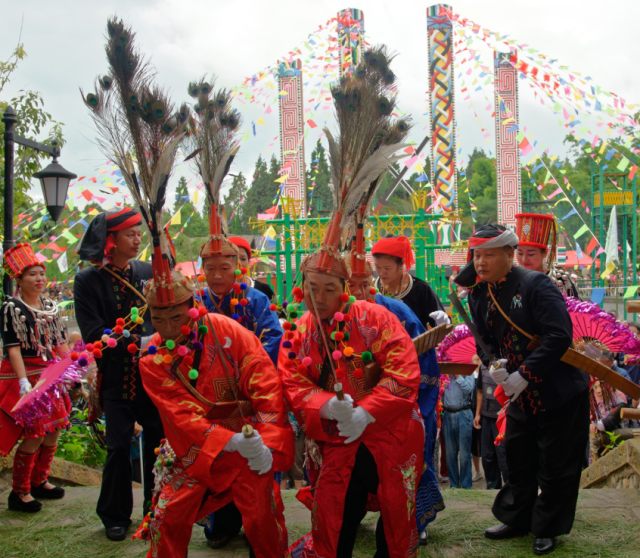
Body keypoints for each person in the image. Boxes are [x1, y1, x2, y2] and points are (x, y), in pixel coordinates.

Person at [133, 268, 293, 558]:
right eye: (158, 319)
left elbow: (264, 382)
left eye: (176, 318)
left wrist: (267, 440)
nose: (167, 328)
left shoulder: (226, 330)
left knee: (262, 516)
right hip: (193, 448)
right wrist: (226, 441)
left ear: (192, 307)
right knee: (165, 518)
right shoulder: (151, 357)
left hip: (250, 439)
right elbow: (180, 415)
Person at [455, 224, 589, 556]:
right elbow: (485, 339)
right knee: (517, 455)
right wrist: (497, 367)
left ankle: (547, 527)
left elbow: (559, 336)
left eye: (488, 255)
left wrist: (524, 374)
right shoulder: (479, 293)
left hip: (559, 390)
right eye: (476, 255)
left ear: (508, 254)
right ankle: (516, 518)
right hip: (519, 393)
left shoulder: (535, 284)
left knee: (556, 464)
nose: (481, 263)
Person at [282, 250, 424, 558]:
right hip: (336, 437)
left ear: (344, 289)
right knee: (335, 510)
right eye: (311, 287)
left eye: (328, 289)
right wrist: (325, 405)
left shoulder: (375, 318)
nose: (318, 297)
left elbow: (405, 369)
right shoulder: (297, 331)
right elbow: (291, 381)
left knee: (396, 509)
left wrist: (367, 411)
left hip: (389, 432)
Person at [74, 208, 164, 541]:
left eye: (139, 232)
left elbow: (165, 314)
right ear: (110, 240)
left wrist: (156, 340)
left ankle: (157, 511)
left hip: (153, 375)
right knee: (117, 447)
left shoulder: (147, 270)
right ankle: (114, 516)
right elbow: (92, 333)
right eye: (130, 233)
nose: (138, 238)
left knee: (158, 443)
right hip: (115, 376)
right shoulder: (87, 280)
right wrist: (141, 340)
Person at [347, 258, 444, 544]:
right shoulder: (333, 317)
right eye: (351, 286)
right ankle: (348, 518)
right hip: (352, 411)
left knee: (409, 466)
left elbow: (422, 361)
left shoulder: (397, 312)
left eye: (365, 284)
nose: (360, 293)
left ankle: (415, 521)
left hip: (398, 406)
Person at [0, 244, 70, 512]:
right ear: (19, 279)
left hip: (50, 374)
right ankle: (19, 492)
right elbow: (13, 347)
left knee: (54, 430)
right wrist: (22, 381)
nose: (40, 278)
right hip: (27, 374)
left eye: (42, 273)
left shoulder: (50, 305)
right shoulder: (11, 307)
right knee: (35, 434)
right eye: (32, 274)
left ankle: (40, 480)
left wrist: (72, 368)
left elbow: (60, 342)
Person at [199, 236, 282, 367]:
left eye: (224, 268)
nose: (217, 275)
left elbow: (272, 338)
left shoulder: (257, 299)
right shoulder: (196, 301)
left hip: (250, 374)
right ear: (203, 269)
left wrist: (246, 368)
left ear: (237, 267)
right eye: (210, 269)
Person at [371, 235, 447, 328]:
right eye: (377, 267)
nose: (382, 273)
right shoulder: (370, 289)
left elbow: (441, 325)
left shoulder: (420, 289)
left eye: (387, 268)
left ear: (401, 263)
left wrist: (442, 322)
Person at [515, 213, 581, 299]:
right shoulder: (511, 281)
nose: (524, 259)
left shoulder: (561, 280)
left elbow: (577, 309)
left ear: (545, 253)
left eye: (531, 254)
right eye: (520, 253)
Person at [474, 362, 509, 489]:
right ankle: (492, 487)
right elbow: (480, 392)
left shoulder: (507, 365)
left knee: (503, 456)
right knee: (487, 455)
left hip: (502, 419)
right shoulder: (483, 367)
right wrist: (478, 414)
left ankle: (509, 488)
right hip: (486, 417)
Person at [441, 373, 475, 489]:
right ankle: (454, 485)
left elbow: (469, 389)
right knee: (450, 454)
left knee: (465, 454)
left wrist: (458, 375)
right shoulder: (445, 373)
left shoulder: (467, 371)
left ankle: (466, 485)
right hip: (447, 414)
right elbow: (441, 393)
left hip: (464, 413)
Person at [229, 236, 275, 300]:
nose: (238, 263)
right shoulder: (217, 290)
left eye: (243, 259)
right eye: (234, 258)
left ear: (248, 261)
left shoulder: (263, 289)